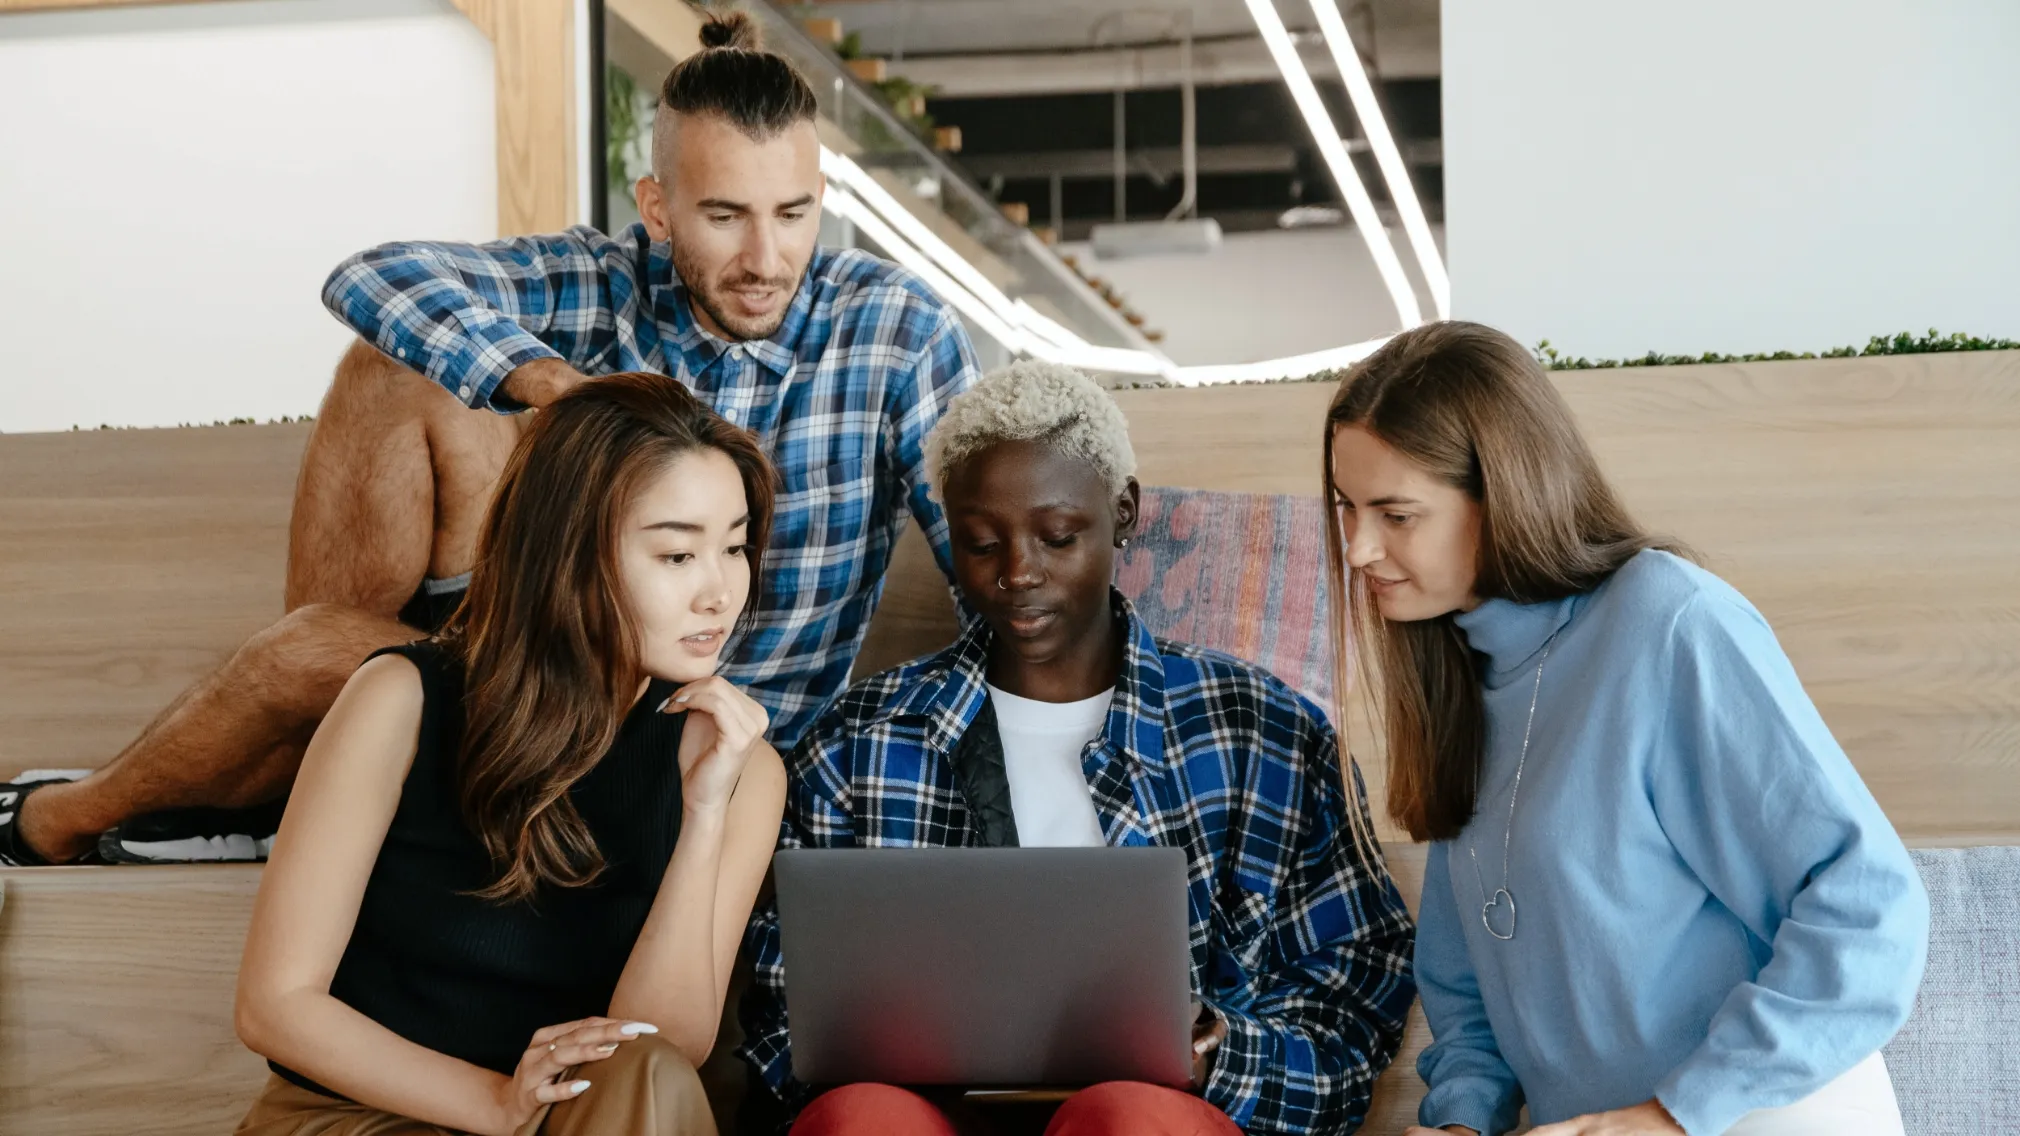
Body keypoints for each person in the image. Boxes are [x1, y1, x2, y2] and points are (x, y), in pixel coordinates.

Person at [0, 11, 976, 868]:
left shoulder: (895, 330)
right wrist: (554, 387)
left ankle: (60, 817)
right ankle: (308, 769)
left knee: (298, 657)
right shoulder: (604, 279)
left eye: (793, 214)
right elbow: (372, 279)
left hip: (698, 749)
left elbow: (989, 573)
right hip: (556, 677)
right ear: (657, 209)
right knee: (387, 368)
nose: (768, 259)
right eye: (724, 216)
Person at [738, 362, 1417, 1136]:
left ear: (1124, 511)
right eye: (981, 543)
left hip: (1157, 1117)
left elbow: (1358, 997)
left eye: (1058, 536)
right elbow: (779, 1008)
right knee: (863, 1121)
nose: (1018, 573)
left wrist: (1219, 1054)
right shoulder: (857, 742)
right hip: (927, 1118)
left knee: (1125, 1119)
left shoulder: (1265, 732)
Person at [1317, 323, 1930, 1136]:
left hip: (1763, 1111)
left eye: (1396, 514)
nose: (1357, 548)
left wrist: (1670, 1115)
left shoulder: (1669, 621)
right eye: (1347, 509)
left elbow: (1870, 905)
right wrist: (1464, 1121)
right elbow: (1469, 995)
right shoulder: (1462, 681)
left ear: (1504, 496)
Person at [232, 373, 785, 1136]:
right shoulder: (402, 701)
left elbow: (661, 1050)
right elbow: (276, 1004)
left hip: (573, 1121)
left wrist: (702, 814)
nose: (720, 593)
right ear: (570, 551)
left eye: (733, 548)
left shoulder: (741, 767)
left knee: (650, 1072)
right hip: (362, 1117)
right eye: (677, 556)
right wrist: (494, 1104)